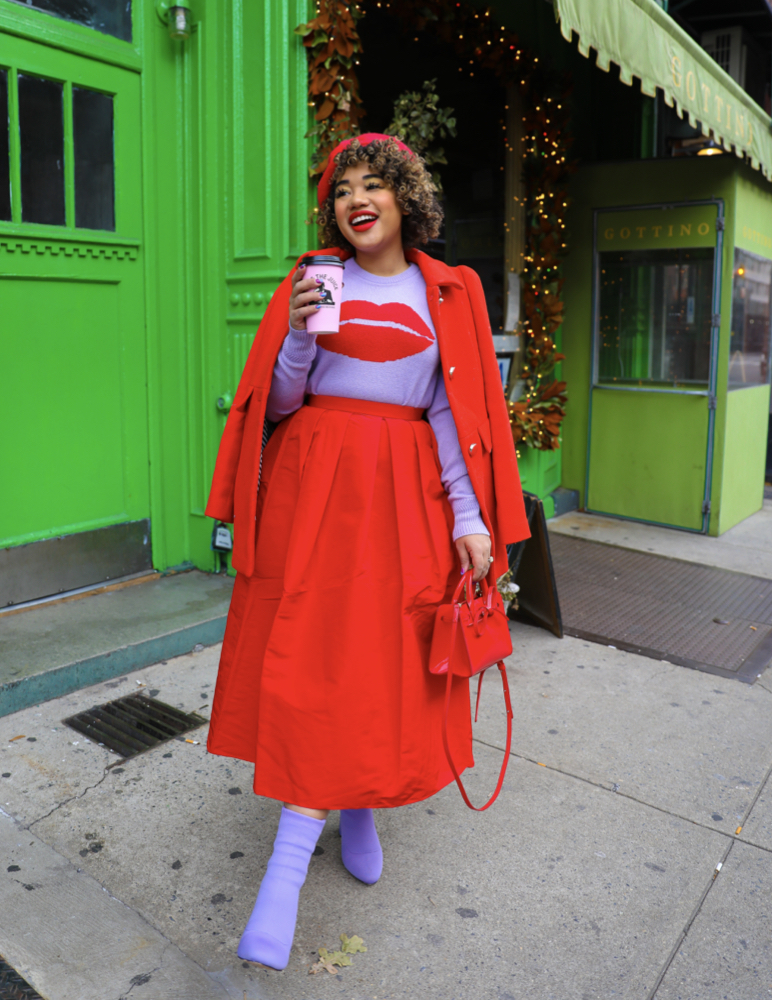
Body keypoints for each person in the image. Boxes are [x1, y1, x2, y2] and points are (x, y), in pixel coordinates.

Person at [205, 133, 529, 970]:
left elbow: (456, 416)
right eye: (344, 187)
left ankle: (358, 808)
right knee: (313, 658)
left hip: (404, 502)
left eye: (374, 185)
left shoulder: (449, 292)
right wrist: (301, 333)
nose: (356, 198)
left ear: (405, 199)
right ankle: (285, 871)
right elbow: (276, 403)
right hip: (313, 494)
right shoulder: (315, 278)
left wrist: (471, 517)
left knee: (377, 661)